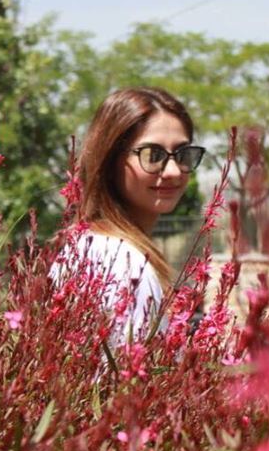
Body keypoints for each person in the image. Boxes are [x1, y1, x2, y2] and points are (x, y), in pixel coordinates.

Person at [53, 87, 205, 345]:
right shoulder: (126, 263)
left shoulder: (91, 247)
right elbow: (132, 379)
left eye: (182, 154)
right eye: (152, 155)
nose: (173, 171)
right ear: (111, 159)